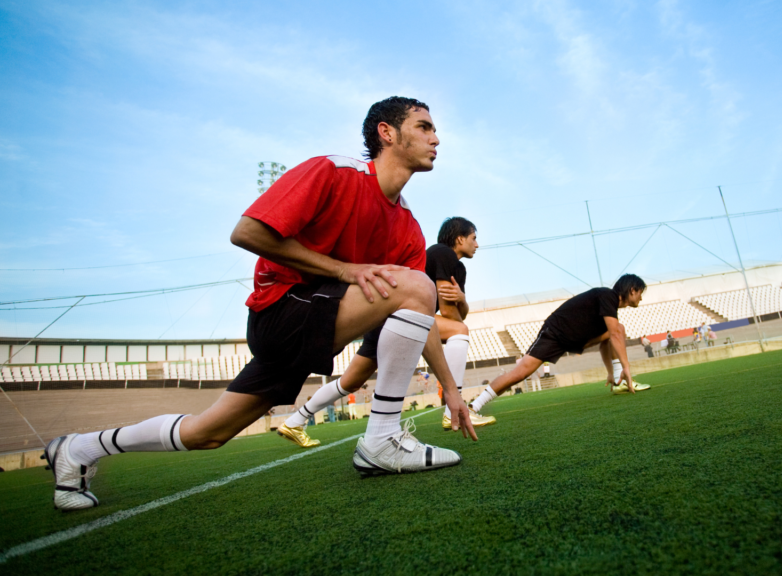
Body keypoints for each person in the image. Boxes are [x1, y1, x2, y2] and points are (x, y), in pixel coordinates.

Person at [41, 96, 479, 511]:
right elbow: (247, 232)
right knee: (415, 284)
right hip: (281, 311)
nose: (435, 138)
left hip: (319, 318)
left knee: (207, 433)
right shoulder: (332, 171)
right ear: (387, 132)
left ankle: (77, 449)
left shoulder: (406, 223)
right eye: (424, 127)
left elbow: (417, 312)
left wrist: (452, 394)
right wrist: (344, 270)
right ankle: (381, 439)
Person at [276, 216, 496, 445]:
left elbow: (459, 313)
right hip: (399, 317)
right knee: (460, 330)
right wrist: (460, 304)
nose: (477, 244)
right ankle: (454, 412)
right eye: (473, 238)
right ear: (460, 239)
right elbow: (453, 317)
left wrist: (462, 300)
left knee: (349, 382)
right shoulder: (443, 254)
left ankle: (294, 421)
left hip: (385, 317)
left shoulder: (452, 263)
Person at [469, 274, 651, 415]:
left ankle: (620, 382)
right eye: (641, 293)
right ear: (632, 290)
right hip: (554, 335)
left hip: (573, 338)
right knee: (519, 374)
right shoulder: (608, 295)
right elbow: (615, 334)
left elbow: (607, 341)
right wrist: (627, 367)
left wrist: (612, 372)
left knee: (617, 328)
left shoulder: (609, 308)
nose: (641, 298)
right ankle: (473, 406)